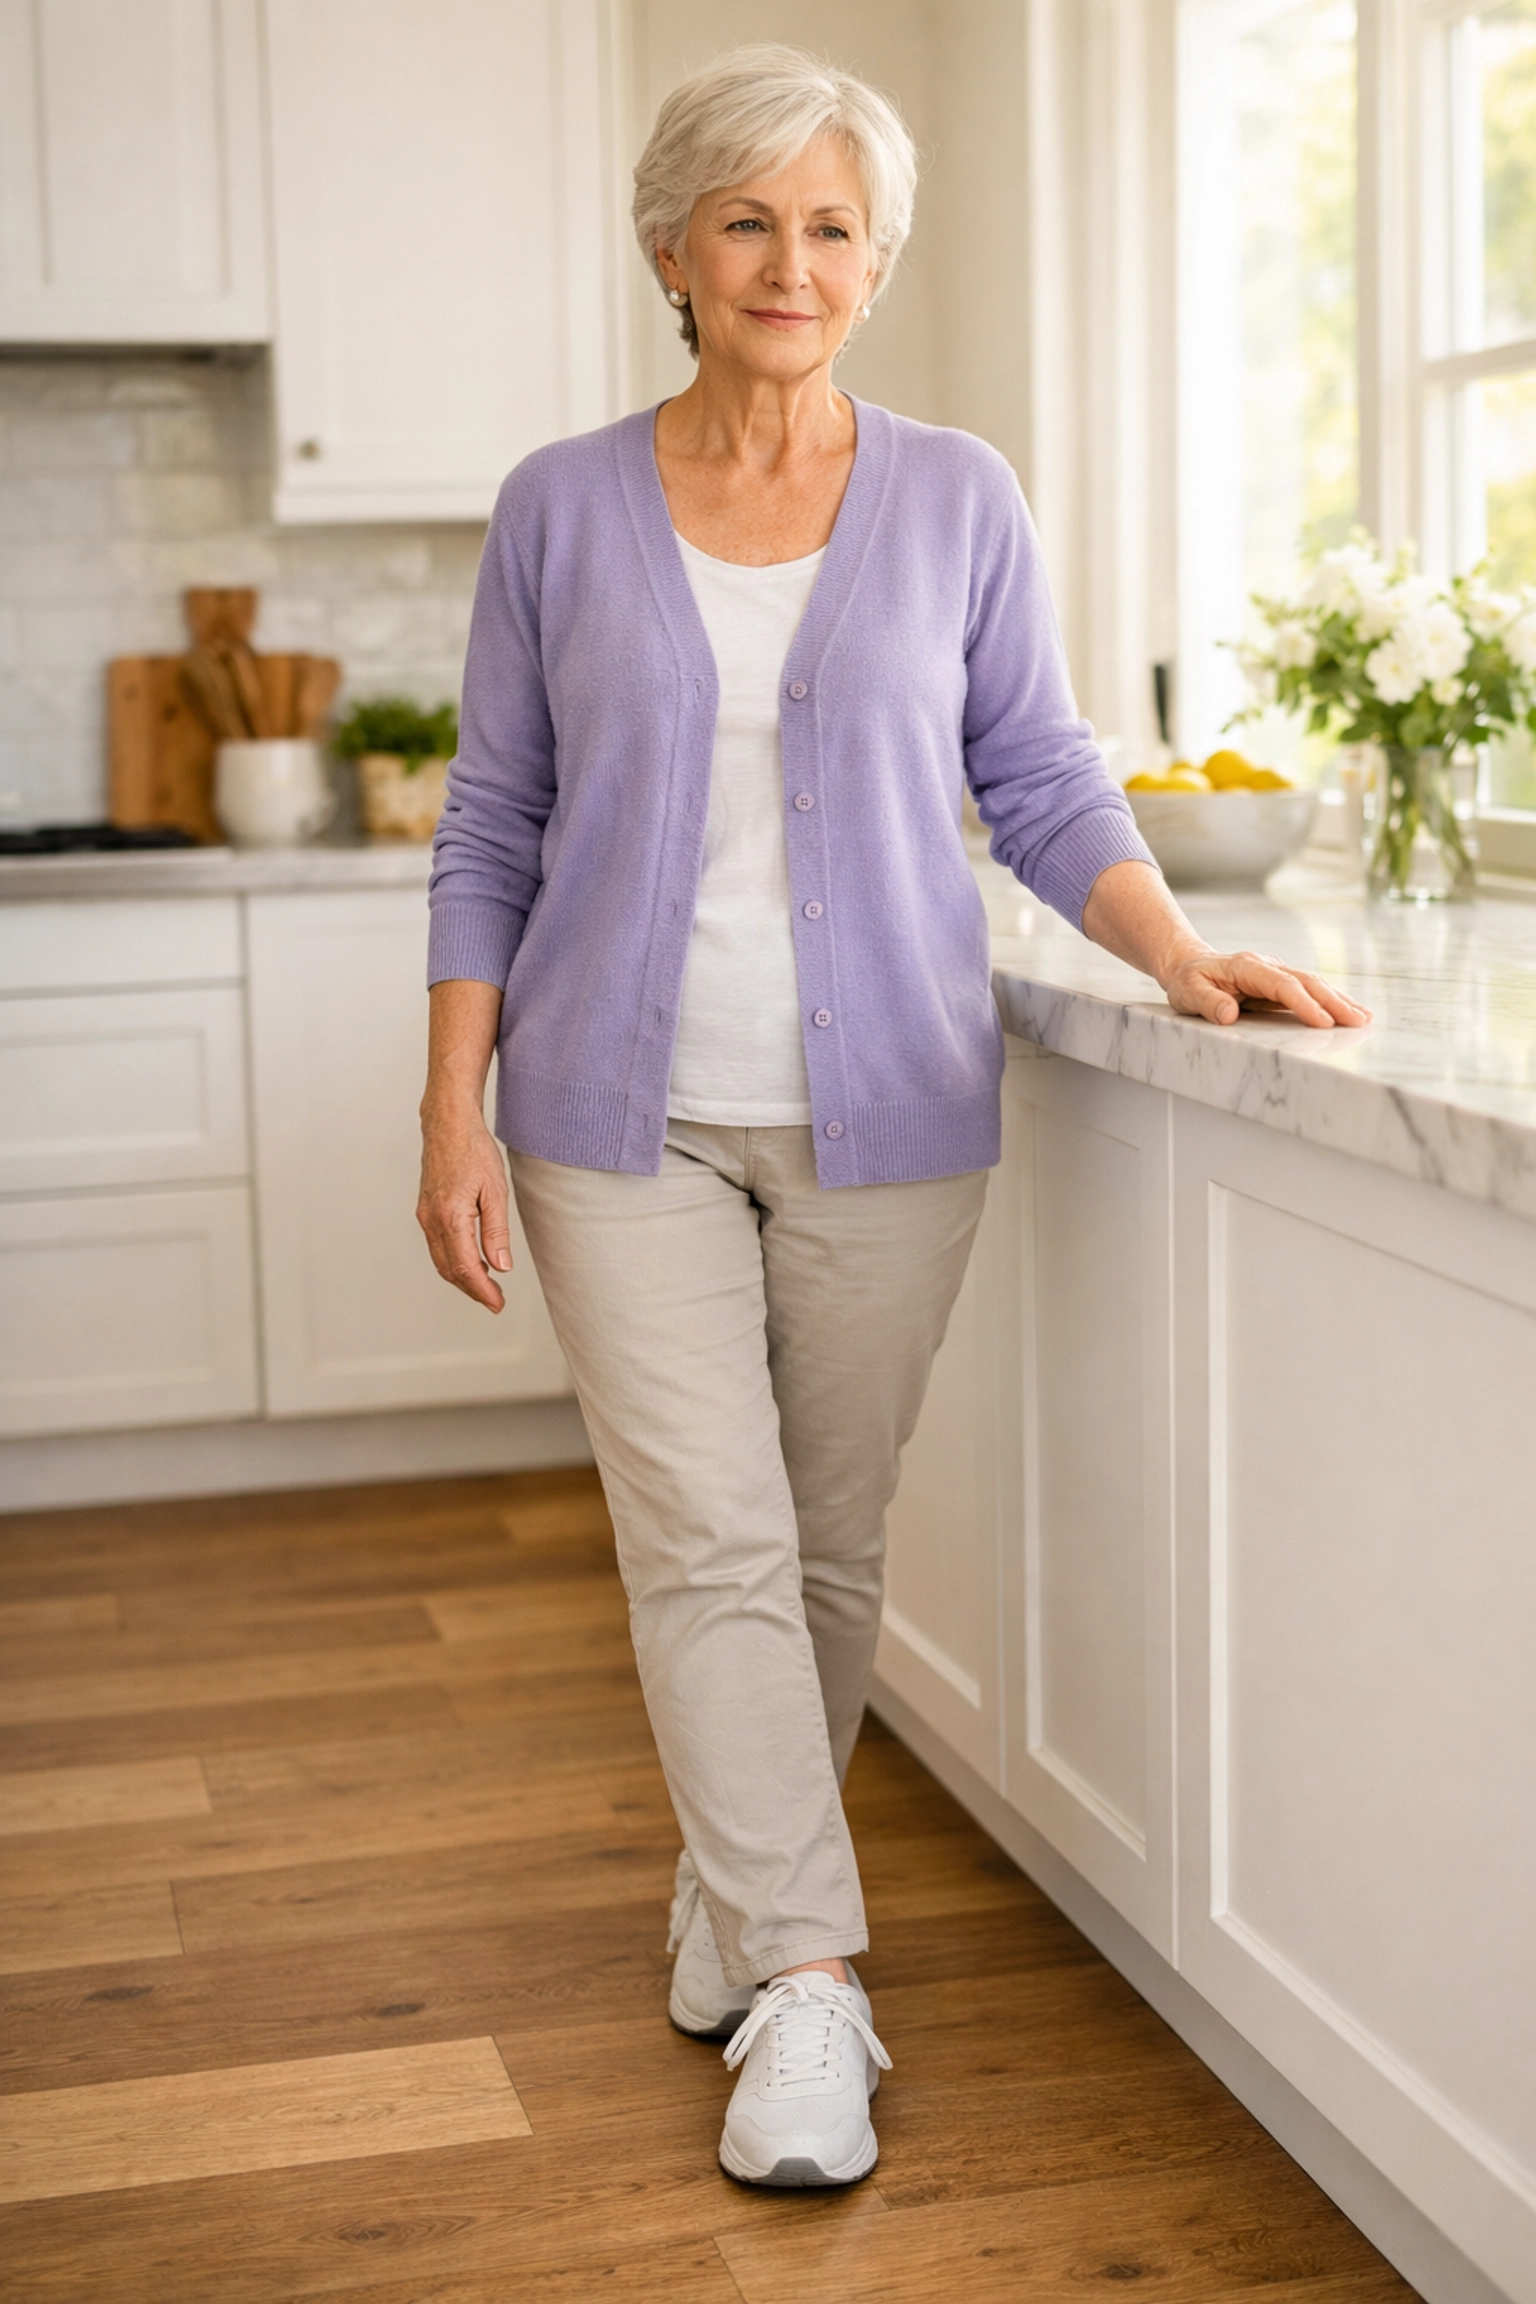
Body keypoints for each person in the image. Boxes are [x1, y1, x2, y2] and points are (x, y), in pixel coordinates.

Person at [417, 44, 1370, 2191]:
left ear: (879, 259)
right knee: (710, 1540)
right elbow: (494, 815)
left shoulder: (959, 496)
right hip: (604, 1108)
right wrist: (449, 1108)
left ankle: (740, 1892)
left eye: (833, 223)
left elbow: (1035, 773)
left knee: (825, 1547)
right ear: (671, 247)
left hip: (890, 1105)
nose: (791, 260)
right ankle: (817, 1989)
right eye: (747, 219)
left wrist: (1171, 952)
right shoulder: (563, 505)